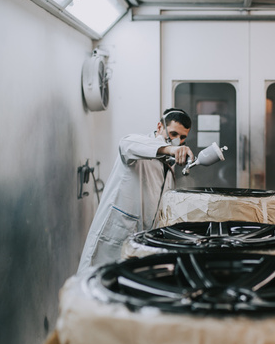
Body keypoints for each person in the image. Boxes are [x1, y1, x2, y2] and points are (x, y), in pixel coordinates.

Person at [77, 108, 194, 274]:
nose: (177, 141)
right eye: (174, 134)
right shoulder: (137, 146)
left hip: (141, 240)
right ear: (160, 127)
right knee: (96, 282)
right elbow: (126, 144)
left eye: (182, 137)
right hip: (116, 235)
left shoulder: (168, 165)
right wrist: (170, 149)